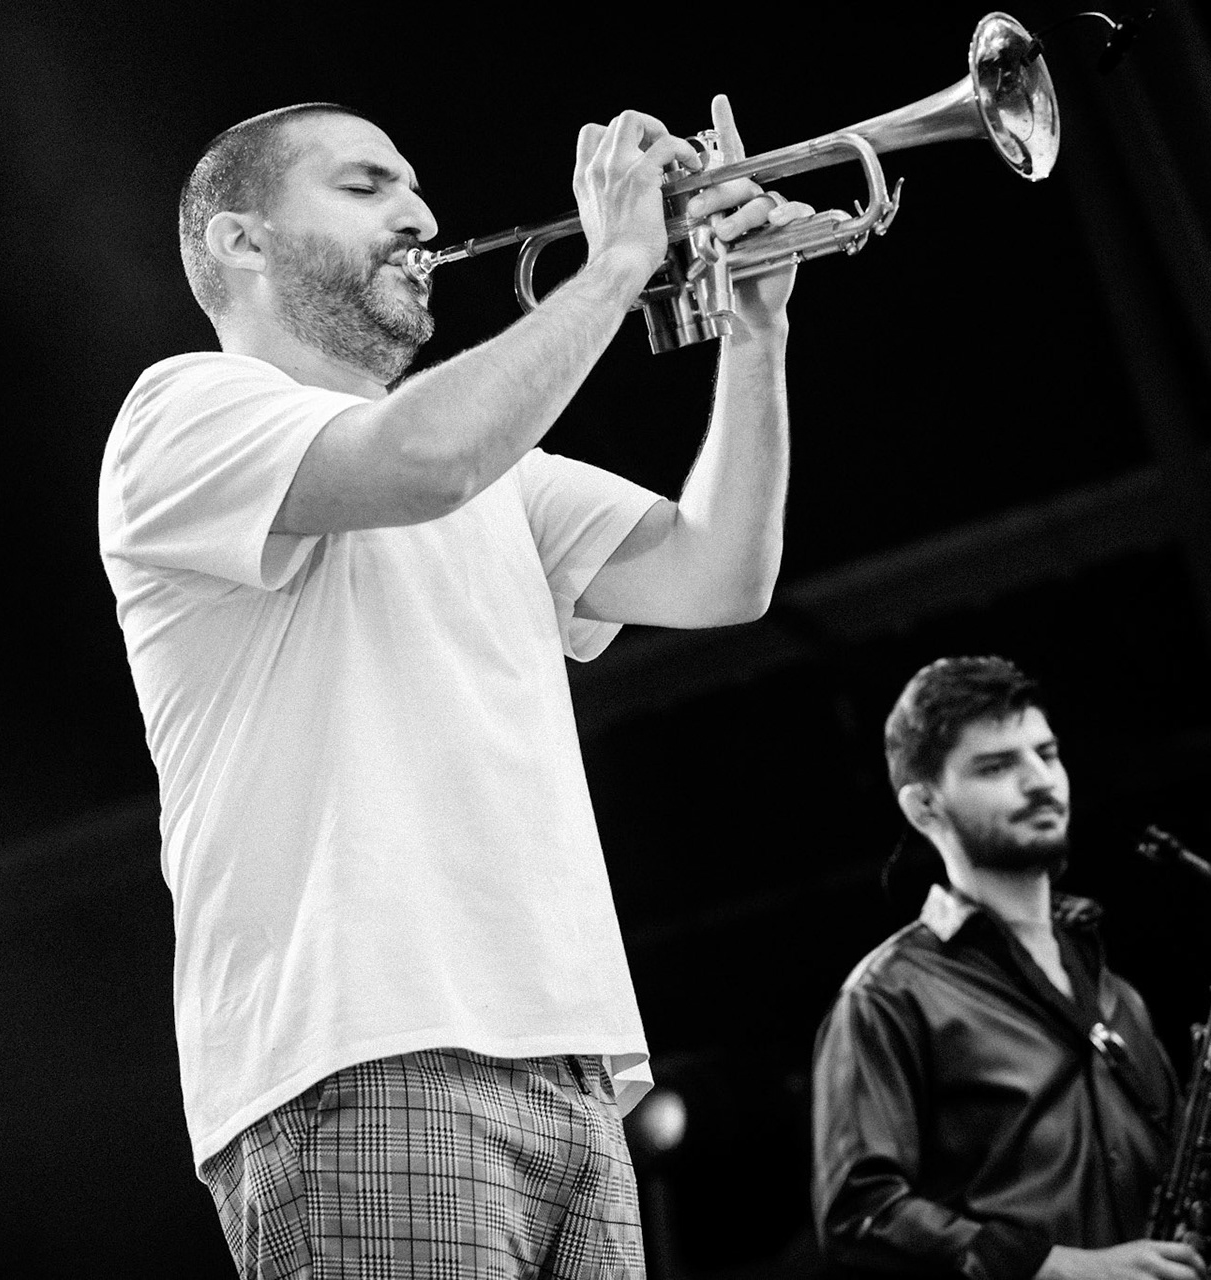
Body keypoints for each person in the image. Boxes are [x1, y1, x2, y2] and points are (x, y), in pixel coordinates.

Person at [99, 95, 806, 1274]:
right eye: (368, 186)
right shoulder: (181, 411)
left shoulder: (505, 473)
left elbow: (720, 570)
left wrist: (755, 337)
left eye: (416, 188)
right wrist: (621, 262)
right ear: (240, 241)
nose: (421, 213)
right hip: (367, 1046)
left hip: (571, 1064)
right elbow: (424, 459)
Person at [810, 656, 1211, 1280]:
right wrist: (1056, 1268)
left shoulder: (1117, 995)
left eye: (1047, 753)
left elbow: (1170, 1184)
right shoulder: (887, 996)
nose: (1040, 781)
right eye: (997, 766)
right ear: (925, 806)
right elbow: (858, 1215)